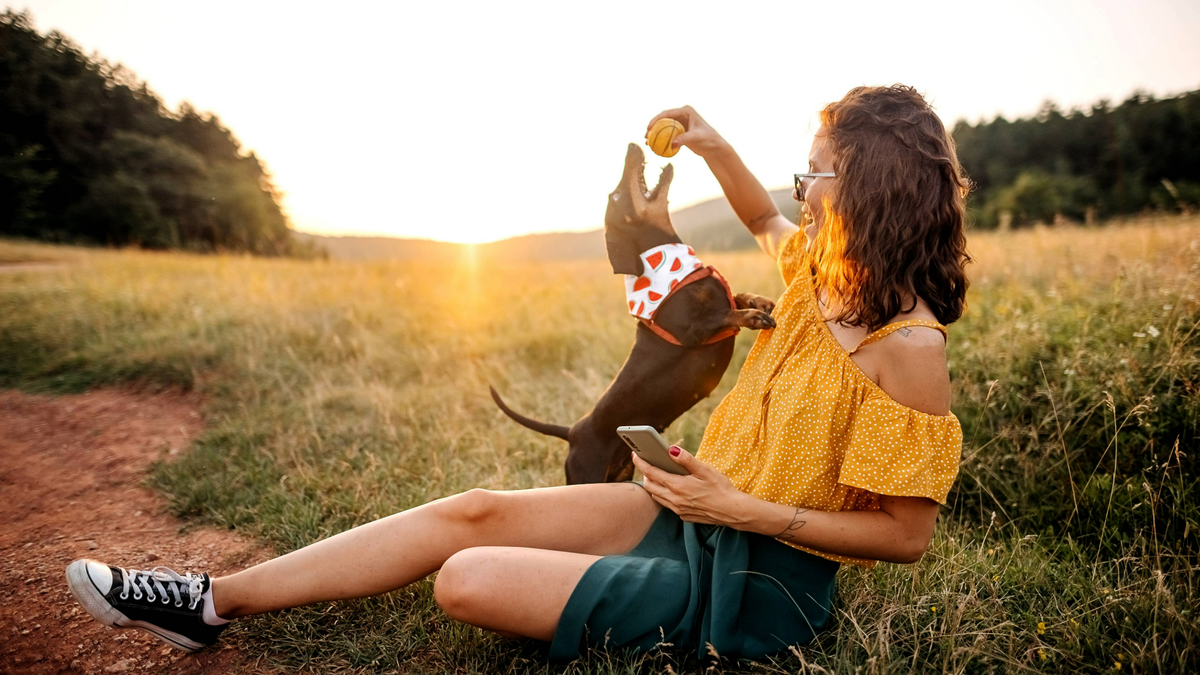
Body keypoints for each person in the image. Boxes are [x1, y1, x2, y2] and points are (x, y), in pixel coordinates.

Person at [65, 84, 970, 661]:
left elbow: (904, 535)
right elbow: (761, 218)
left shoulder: (909, 349)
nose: (798, 192)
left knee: (463, 577)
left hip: (760, 581)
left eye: (814, 175)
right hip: (692, 507)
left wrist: (742, 510)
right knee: (472, 510)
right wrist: (711, 142)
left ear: (871, 188)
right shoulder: (821, 279)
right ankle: (204, 601)